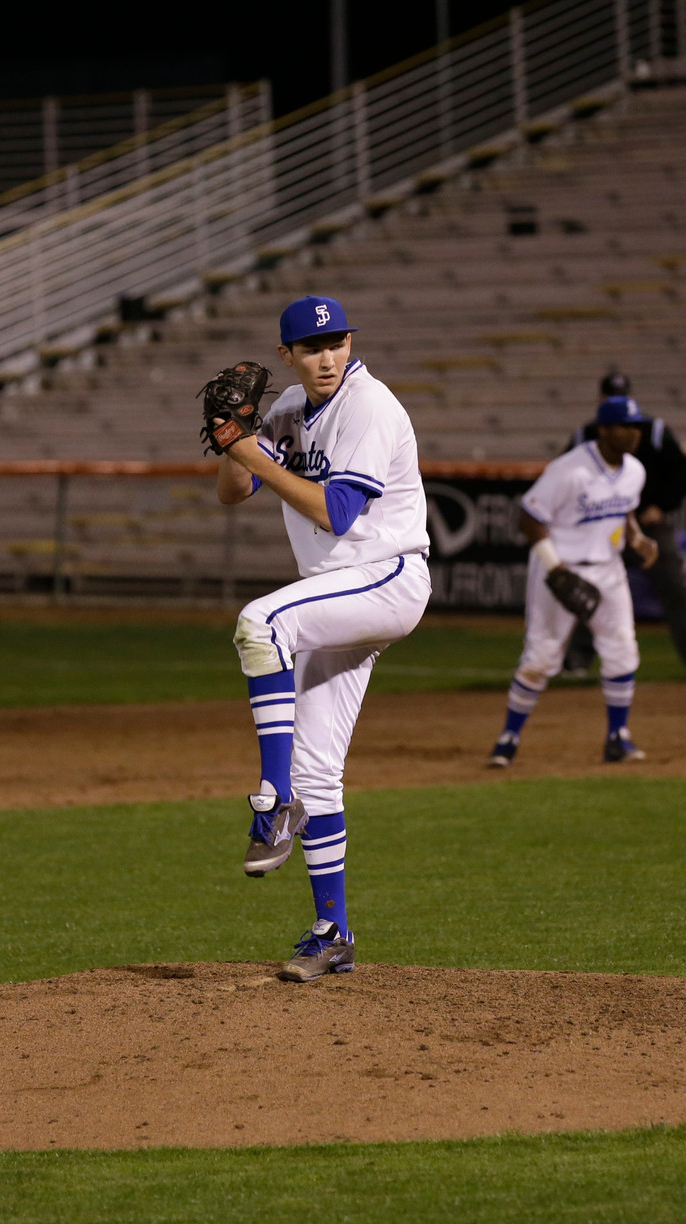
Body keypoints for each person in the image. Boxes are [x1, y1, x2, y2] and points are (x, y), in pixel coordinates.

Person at [213, 295, 430, 983]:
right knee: (319, 771)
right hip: (340, 594)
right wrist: (232, 438)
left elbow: (337, 513)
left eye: (336, 342)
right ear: (288, 356)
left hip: (386, 576)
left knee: (262, 623)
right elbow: (233, 491)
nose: (327, 356)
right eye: (312, 348)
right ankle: (332, 931)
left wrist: (251, 452)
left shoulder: (369, 405)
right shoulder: (286, 410)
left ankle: (273, 800)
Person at [487, 395, 659, 767]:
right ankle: (508, 737)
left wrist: (637, 538)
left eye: (637, 427)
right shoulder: (570, 470)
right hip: (560, 566)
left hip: (609, 568)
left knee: (622, 648)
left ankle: (618, 737)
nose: (633, 434)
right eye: (625, 427)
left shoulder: (635, 471)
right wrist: (556, 571)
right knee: (542, 657)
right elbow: (529, 518)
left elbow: (625, 509)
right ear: (604, 430)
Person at [561, 370, 686, 673]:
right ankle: (576, 660)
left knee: (676, 588)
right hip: (602, 531)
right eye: (610, 397)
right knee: (590, 591)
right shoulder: (586, 435)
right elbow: (564, 480)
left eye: (621, 397)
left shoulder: (653, 431)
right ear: (600, 399)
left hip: (649, 527)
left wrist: (661, 505)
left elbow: (681, 472)